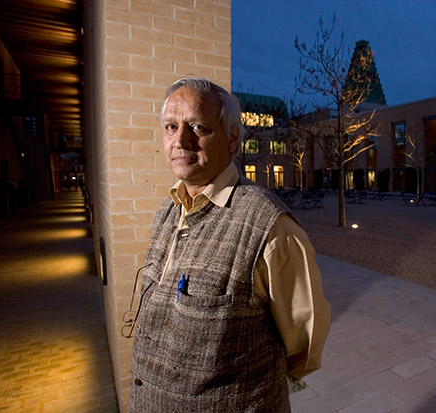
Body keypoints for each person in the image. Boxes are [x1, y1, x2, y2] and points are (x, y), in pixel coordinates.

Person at [128, 77, 330, 412]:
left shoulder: (271, 227)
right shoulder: (166, 211)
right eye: (170, 126)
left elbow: (305, 342)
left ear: (232, 138)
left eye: (197, 127)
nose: (180, 140)